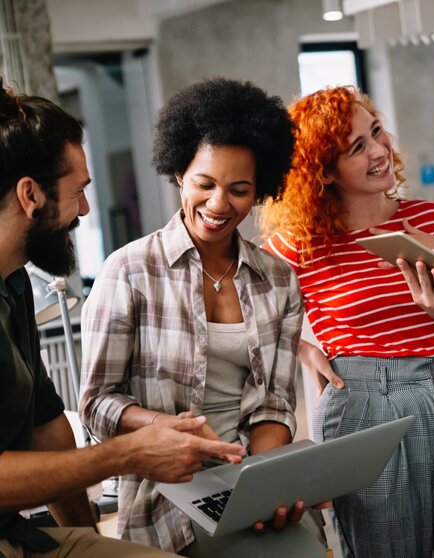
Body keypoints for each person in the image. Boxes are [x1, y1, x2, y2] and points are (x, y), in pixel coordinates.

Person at [260, 86, 434, 557]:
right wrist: (304, 347)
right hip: (362, 406)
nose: (379, 151)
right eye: (357, 148)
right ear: (324, 172)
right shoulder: (300, 245)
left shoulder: (431, 218)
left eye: (376, 132)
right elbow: (244, 304)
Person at [79, 77, 326, 557]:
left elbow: (274, 404)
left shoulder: (276, 278)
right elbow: (96, 404)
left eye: (239, 189)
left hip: (248, 479)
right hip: (163, 497)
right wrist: (172, 431)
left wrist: (265, 485)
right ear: (178, 174)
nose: (218, 205)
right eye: (204, 184)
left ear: (259, 192)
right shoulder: (128, 270)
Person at [0, 80, 246, 558]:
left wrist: (89, 543)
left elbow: (50, 433)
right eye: (78, 192)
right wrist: (129, 453)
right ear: (31, 195)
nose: (86, 210)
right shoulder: (129, 268)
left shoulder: (13, 287)